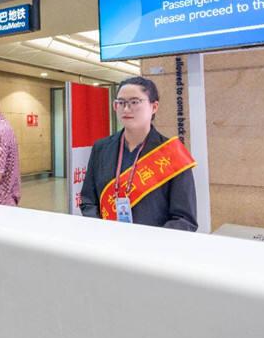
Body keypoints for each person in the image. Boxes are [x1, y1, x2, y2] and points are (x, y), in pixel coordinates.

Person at [80, 77, 198, 230]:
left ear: (154, 107)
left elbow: (185, 219)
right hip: (107, 239)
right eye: (120, 102)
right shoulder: (101, 148)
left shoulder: (172, 154)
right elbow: (88, 200)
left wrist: (148, 241)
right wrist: (102, 230)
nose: (126, 109)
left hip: (152, 243)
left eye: (134, 102)